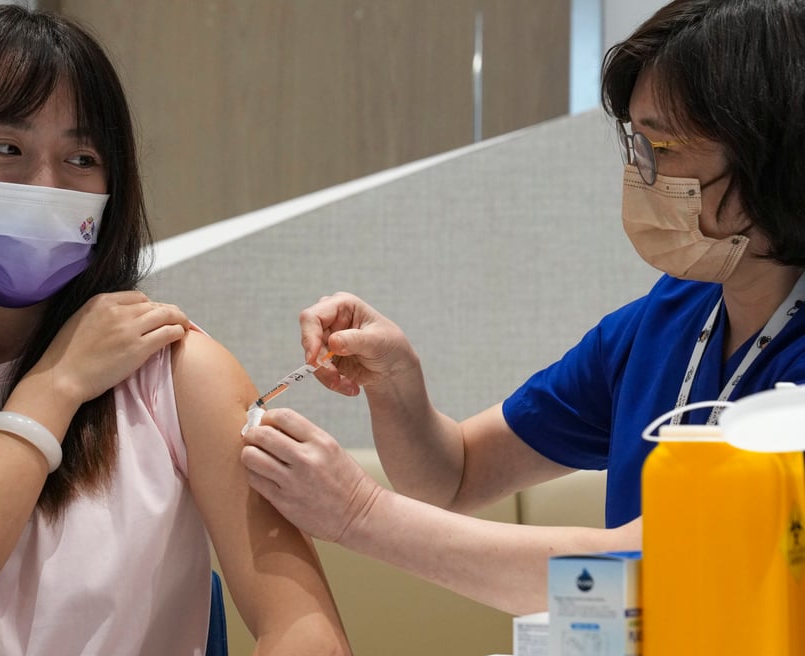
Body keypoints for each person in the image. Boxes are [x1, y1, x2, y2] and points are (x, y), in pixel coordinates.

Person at [0, 5, 351, 655]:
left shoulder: (178, 367)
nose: (46, 186)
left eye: (81, 157)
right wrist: (58, 383)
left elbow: (303, 628)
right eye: (6, 149)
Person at [240, 0, 805, 617]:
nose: (640, 172)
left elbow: (653, 575)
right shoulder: (672, 316)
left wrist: (357, 514)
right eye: (635, 144)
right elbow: (454, 476)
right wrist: (397, 380)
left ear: (771, 154)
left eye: (663, 146)